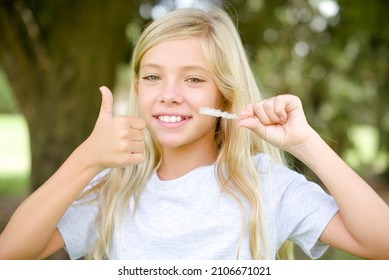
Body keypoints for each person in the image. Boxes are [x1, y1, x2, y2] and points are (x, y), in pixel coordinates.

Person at [0, 6, 388, 260]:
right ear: (137, 88)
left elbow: (381, 244)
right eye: (153, 77)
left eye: (193, 79)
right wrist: (85, 159)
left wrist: (307, 144)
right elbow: (11, 256)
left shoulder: (267, 187)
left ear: (226, 93)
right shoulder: (112, 189)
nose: (169, 95)